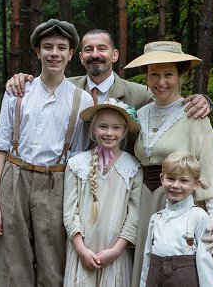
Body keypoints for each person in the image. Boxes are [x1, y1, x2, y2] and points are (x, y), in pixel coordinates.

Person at [0, 19, 93, 287]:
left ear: (71, 54)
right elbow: (1, 146)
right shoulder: (17, 91)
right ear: (37, 52)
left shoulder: (83, 100)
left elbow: (80, 156)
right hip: (15, 178)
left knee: (52, 259)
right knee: (13, 259)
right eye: (47, 47)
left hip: (57, 182)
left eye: (61, 47)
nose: (53, 53)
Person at [125, 41, 213, 286]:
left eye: (168, 74)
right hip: (142, 203)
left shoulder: (193, 114)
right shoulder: (140, 114)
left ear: (180, 75)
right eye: (154, 74)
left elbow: (209, 166)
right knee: (145, 269)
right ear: (146, 77)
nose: (161, 82)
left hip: (177, 203)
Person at [5, 29, 213, 118]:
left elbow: (171, 108)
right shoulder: (64, 87)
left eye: (101, 49)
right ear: (80, 57)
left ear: (114, 55)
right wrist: (22, 78)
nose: (95, 55)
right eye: (88, 50)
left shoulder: (141, 95)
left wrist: (205, 102)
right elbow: (41, 87)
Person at [63, 98, 143, 286]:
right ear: (93, 129)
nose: (109, 133)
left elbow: (134, 215)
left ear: (124, 132)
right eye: (103, 127)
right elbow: (69, 211)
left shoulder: (133, 168)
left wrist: (116, 250)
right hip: (82, 252)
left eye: (116, 128)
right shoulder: (77, 165)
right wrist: (81, 249)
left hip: (116, 255)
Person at [140, 151, 213, 287]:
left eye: (184, 180)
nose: (175, 185)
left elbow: (205, 260)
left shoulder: (198, 216)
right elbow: (147, 259)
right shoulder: (156, 219)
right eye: (171, 179)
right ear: (162, 179)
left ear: (196, 184)